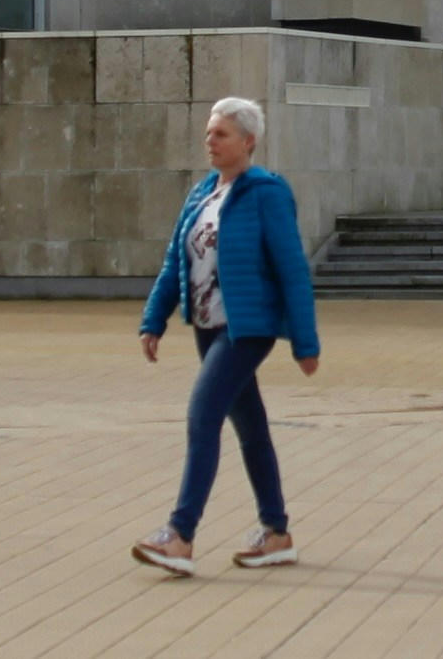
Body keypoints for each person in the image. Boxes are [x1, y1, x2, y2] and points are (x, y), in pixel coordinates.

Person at [130, 96, 317, 576]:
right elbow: (176, 260)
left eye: (221, 134)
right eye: (209, 132)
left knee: (202, 414)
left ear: (248, 141)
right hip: (208, 326)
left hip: (246, 327)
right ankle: (276, 533)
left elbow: (292, 268)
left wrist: (305, 342)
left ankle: (181, 534)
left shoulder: (267, 193)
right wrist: (155, 319)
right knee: (250, 427)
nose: (209, 141)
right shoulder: (202, 194)